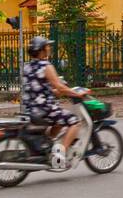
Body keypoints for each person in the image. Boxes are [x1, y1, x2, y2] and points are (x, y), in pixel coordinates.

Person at [20, 36, 89, 164]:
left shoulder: (27, 67)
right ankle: (59, 155)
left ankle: (46, 144)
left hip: (31, 109)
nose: (49, 48)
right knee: (74, 121)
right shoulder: (46, 66)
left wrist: (55, 92)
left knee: (60, 121)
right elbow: (60, 87)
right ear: (41, 50)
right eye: (47, 46)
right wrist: (77, 94)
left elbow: (39, 88)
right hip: (44, 109)